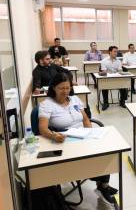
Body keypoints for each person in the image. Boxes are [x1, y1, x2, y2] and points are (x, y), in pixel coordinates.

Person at [38, 73, 118, 206]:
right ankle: (93, 176)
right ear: (53, 88)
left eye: (67, 87)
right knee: (84, 163)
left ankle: (103, 185)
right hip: (64, 141)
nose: (65, 91)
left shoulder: (74, 99)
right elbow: (42, 129)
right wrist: (53, 135)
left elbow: (86, 119)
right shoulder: (47, 105)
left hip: (83, 136)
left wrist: (91, 134)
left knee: (105, 152)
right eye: (61, 88)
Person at [100, 46, 128, 110]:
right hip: (107, 79)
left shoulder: (118, 61)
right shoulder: (104, 61)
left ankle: (122, 101)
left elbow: (120, 71)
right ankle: (106, 103)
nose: (116, 53)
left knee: (124, 84)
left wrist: (120, 71)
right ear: (110, 52)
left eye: (117, 52)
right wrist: (105, 72)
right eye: (114, 51)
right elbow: (104, 72)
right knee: (103, 85)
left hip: (117, 79)